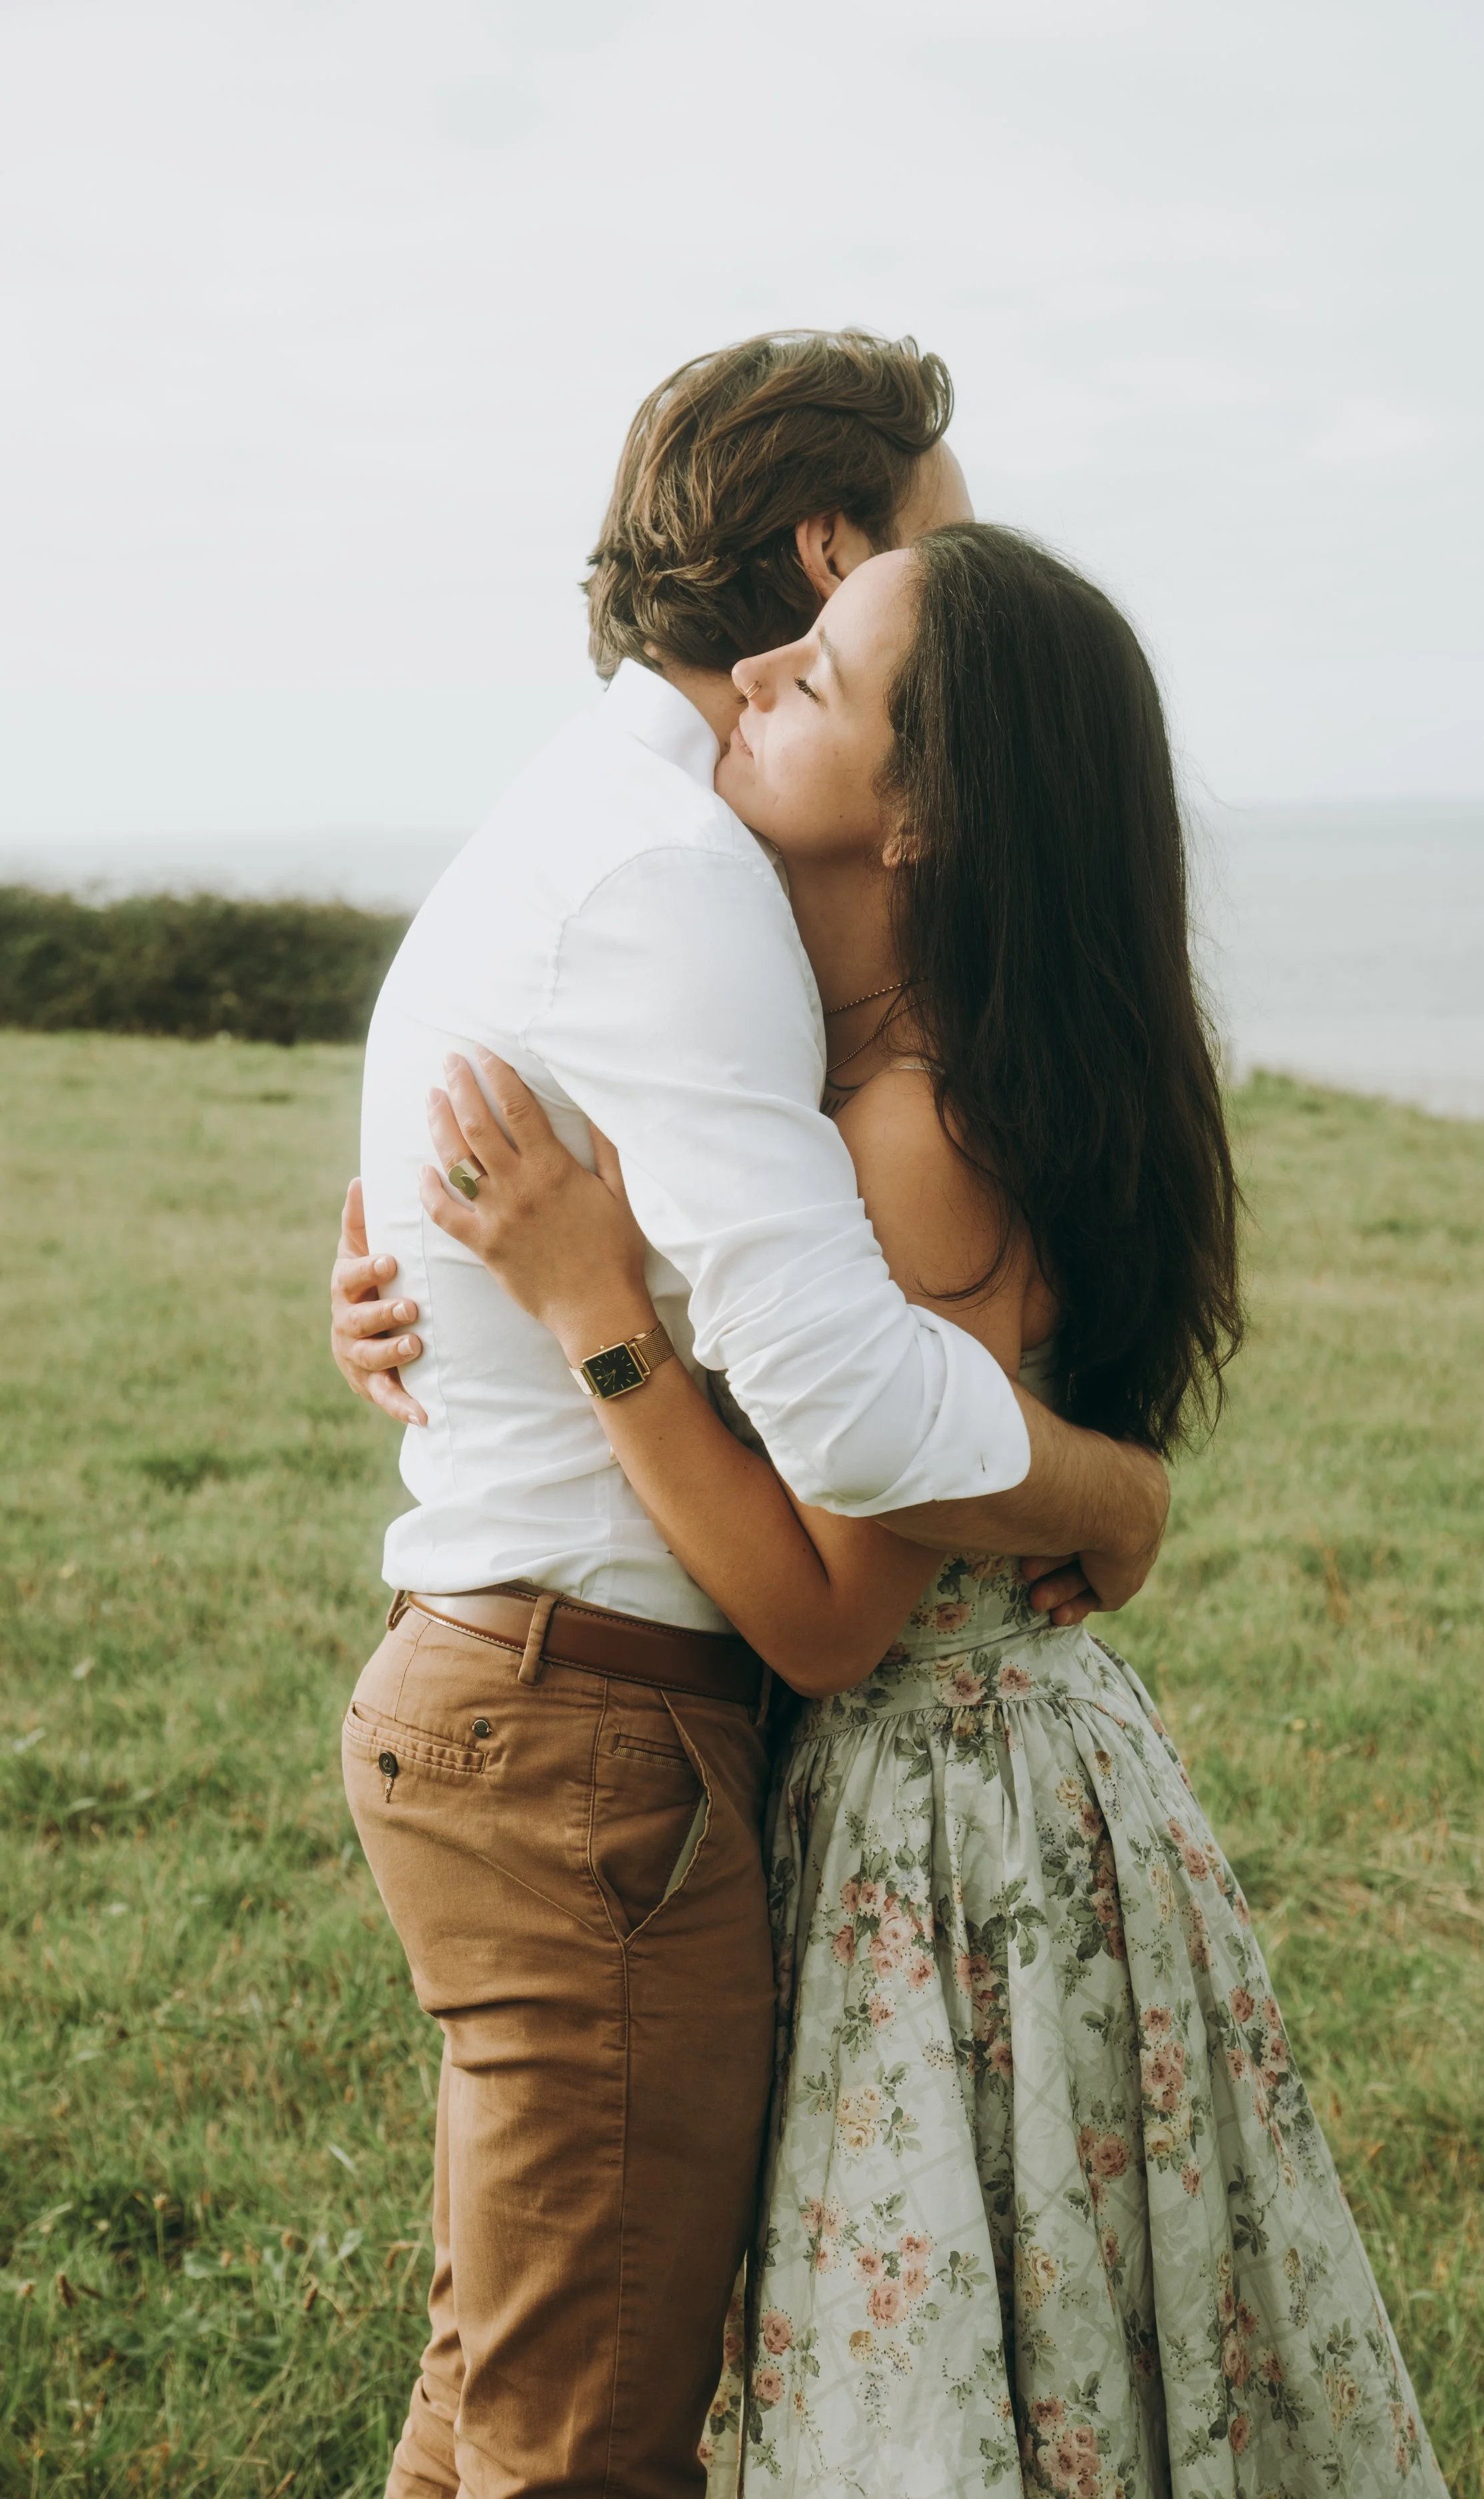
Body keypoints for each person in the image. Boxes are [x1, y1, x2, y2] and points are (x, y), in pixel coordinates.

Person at [412, 523, 1449, 2496]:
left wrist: (591, 1316)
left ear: (925, 818)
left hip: (940, 1821)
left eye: (828, 671)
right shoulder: (895, 1069)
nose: (762, 674)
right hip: (1000, 1785)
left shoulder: (919, 1132)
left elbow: (823, 1616)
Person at [331, 333, 1172, 2499]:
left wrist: (519, 1302)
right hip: (587, 1727)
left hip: (576, 1718)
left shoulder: (626, 847)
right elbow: (846, 1425)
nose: (949, 601)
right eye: (935, 554)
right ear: (828, 548)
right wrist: (1106, 1488)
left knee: (511, 2403)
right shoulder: (679, 874)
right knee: (579, 2440)